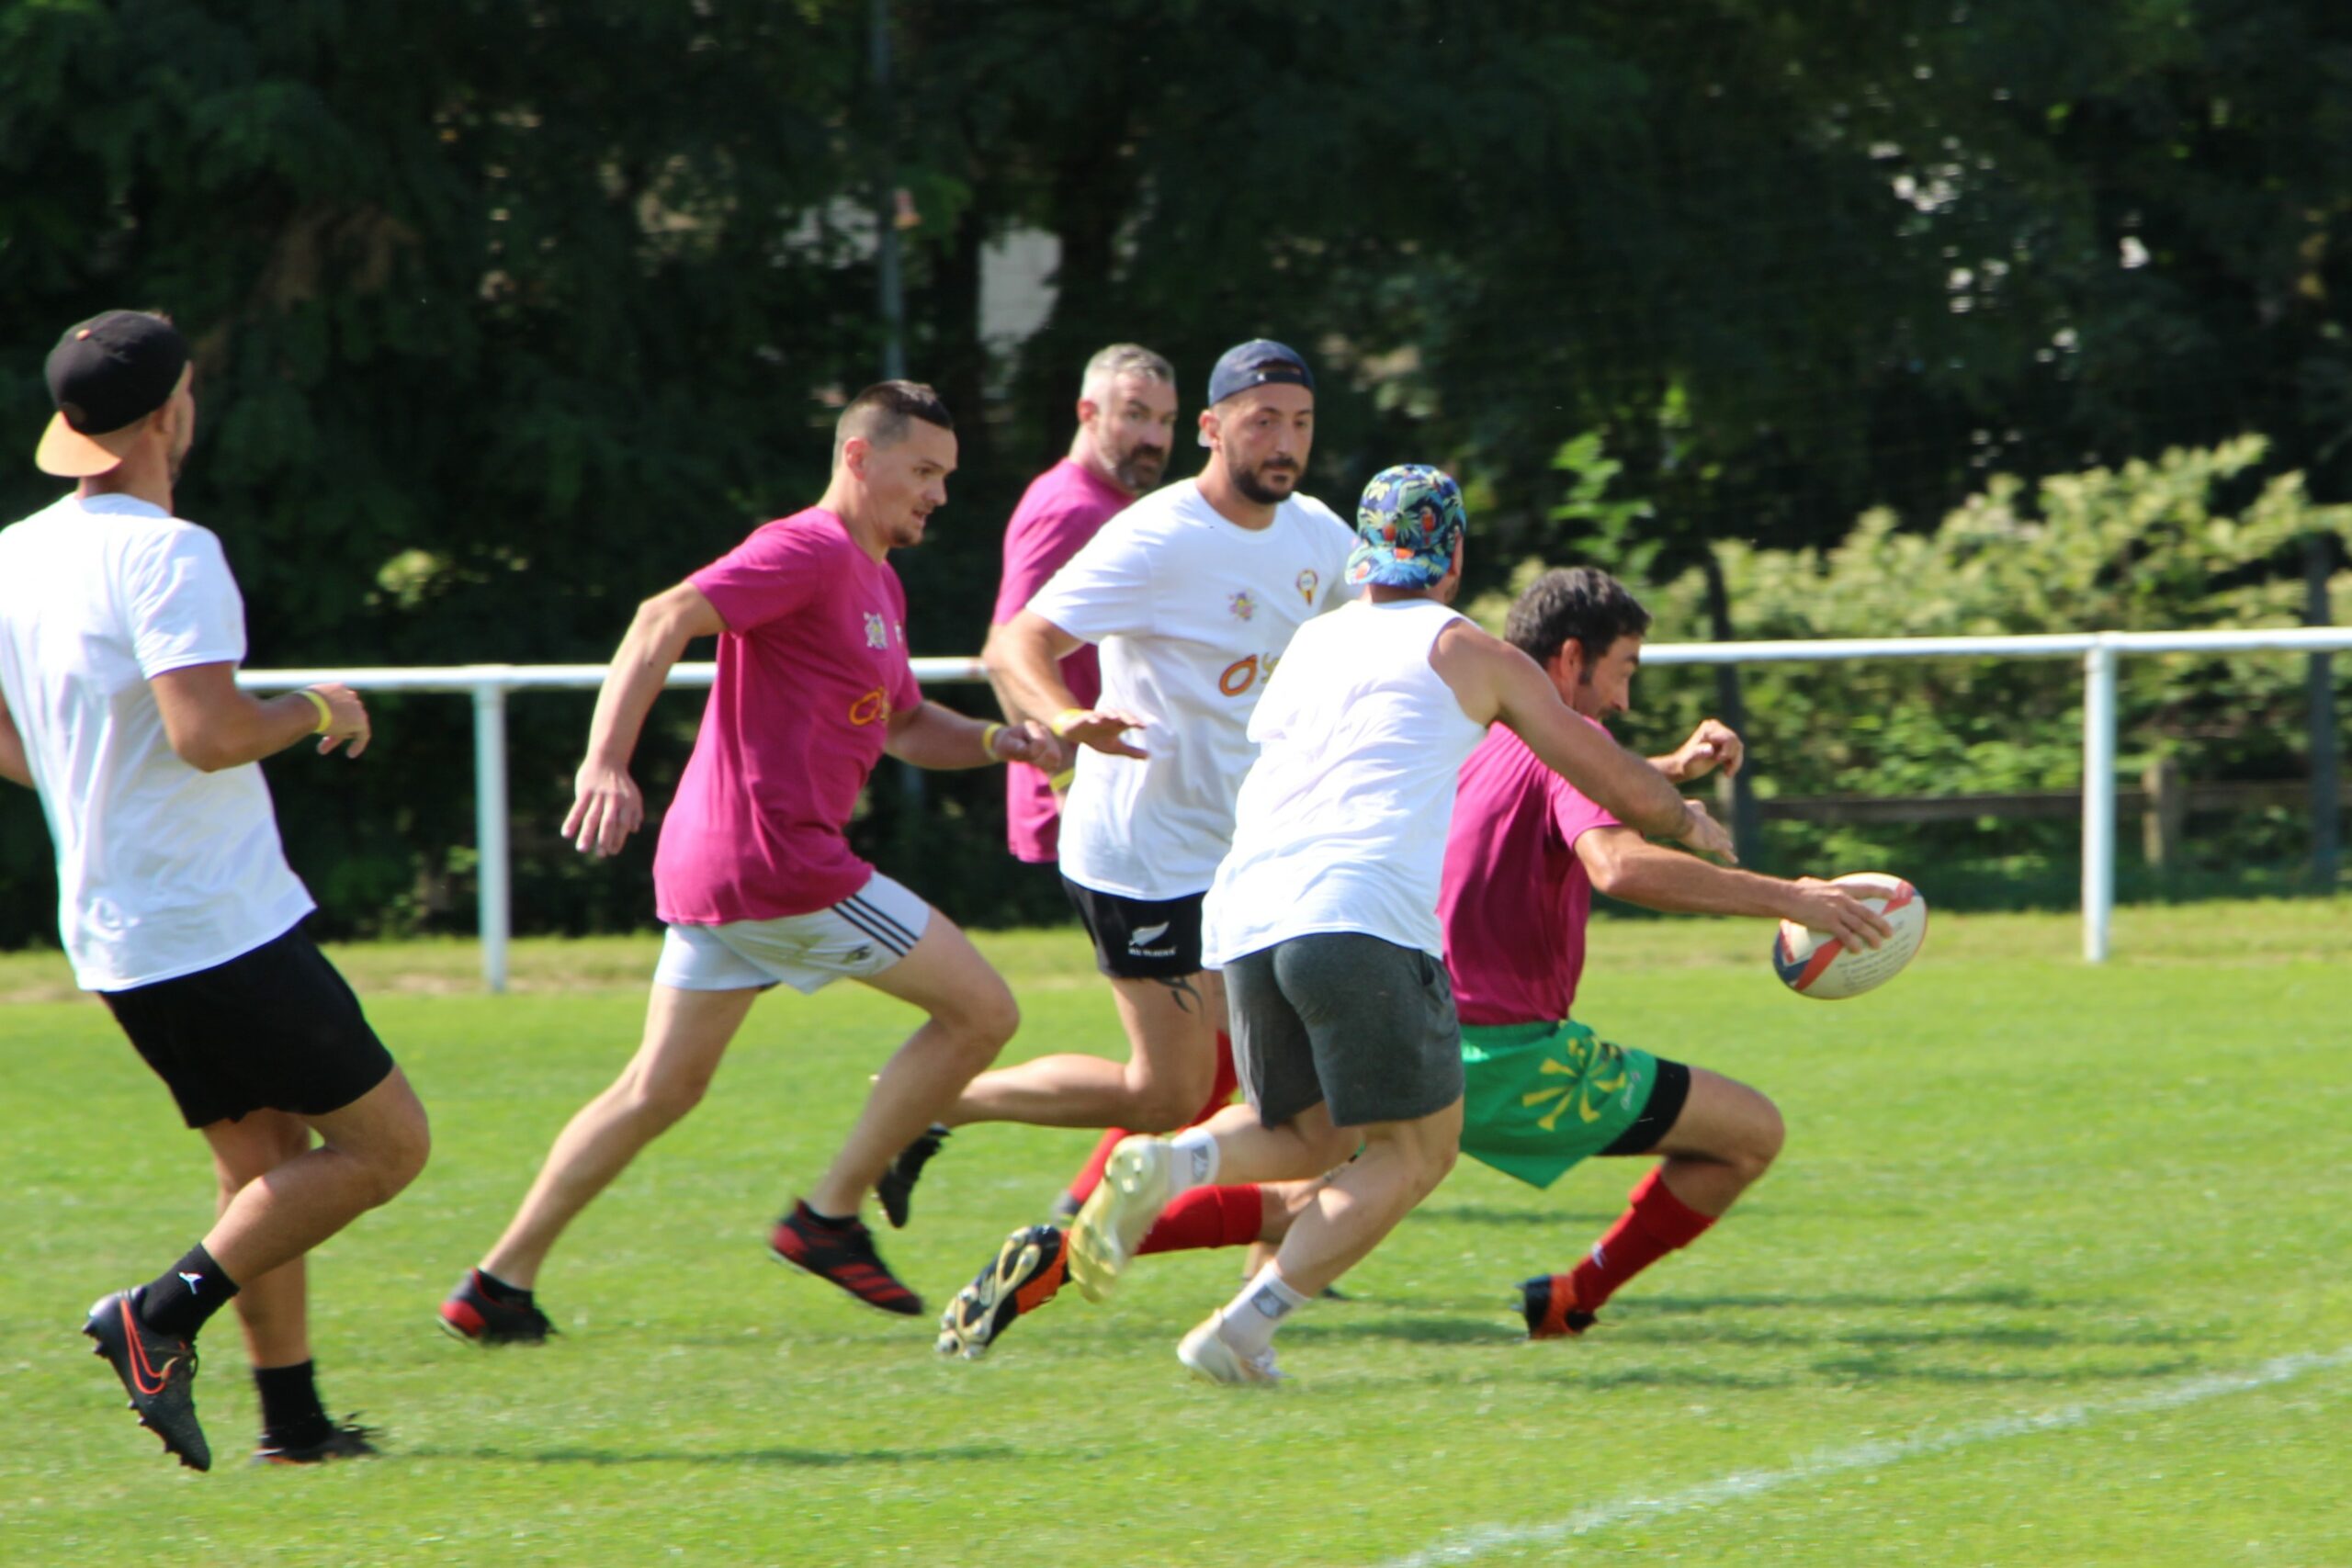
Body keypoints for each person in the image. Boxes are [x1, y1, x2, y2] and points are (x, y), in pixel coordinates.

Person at [934, 565, 1890, 1369]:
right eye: (1622, 672)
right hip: (1501, 1045)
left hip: (1340, 965)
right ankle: (1570, 1300)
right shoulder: (1558, 734)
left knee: (1306, 1177)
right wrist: (1790, 896)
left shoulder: (1461, 722)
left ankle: (1062, 1251)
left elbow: (1556, 790)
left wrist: (1668, 770)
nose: (1623, 699)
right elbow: (1616, 861)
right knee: (1748, 1133)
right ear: (1568, 660)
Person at [437, 381, 1057, 1339]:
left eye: (946, 476)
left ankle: (495, 1285)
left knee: (657, 1089)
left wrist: (997, 743)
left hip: (722, 865)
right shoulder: (806, 549)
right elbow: (661, 616)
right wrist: (604, 761)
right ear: (859, 458)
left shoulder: (879, 581)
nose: (939, 495)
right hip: (780, 864)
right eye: (924, 471)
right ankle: (828, 1217)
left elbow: (902, 724)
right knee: (984, 1011)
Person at [0, 310, 429, 1470]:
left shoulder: (18, 551)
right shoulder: (171, 553)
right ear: (168, 412)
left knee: (261, 1168)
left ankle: (293, 1425)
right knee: (388, 1147)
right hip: (213, 923)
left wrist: (88, 776)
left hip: (116, 932)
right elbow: (208, 735)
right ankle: (156, 1315)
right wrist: (317, 708)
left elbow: (16, 735)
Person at [878, 340, 1354, 1218]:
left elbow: (1384, 634)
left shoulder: (1320, 534)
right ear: (1212, 429)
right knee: (1166, 1094)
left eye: (1301, 423)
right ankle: (933, 1104)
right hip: (1145, 854)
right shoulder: (1157, 534)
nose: (1285, 442)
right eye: (1263, 422)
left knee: (1295, 1088)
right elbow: (1014, 644)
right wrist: (1064, 719)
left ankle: (1277, 1263)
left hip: (1246, 853)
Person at [876, 344, 1196, 1225]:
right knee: (1192, 1066)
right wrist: (1063, 773)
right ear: (1088, 414)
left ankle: (1126, 1213)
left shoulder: (1126, 510)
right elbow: (1005, 646)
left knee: (1209, 1057)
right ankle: (949, 1117)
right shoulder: (1069, 507)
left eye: (1166, 420)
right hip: (1113, 812)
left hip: (1155, 808)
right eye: (1135, 414)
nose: (1153, 436)